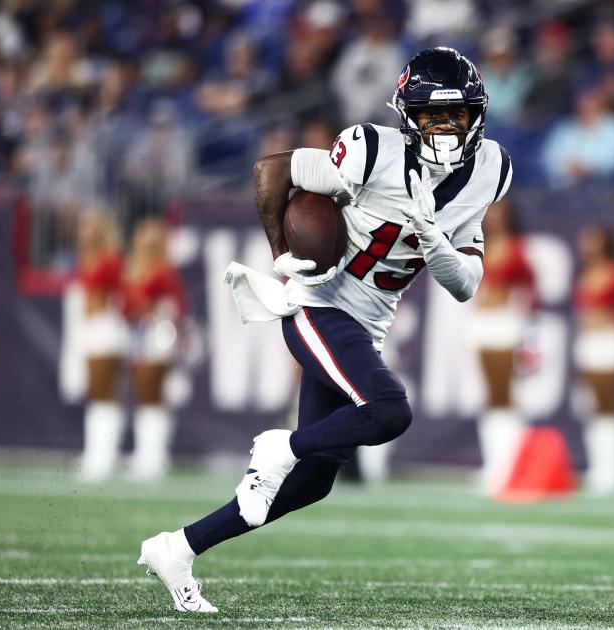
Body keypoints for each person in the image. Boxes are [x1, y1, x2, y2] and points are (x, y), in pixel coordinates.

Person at [137, 47, 512, 613]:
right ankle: (279, 443)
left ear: (475, 115)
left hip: (368, 325)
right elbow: (271, 171)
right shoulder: (370, 150)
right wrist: (282, 254)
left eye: (455, 114)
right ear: (406, 114)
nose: (444, 125)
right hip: (321, 306)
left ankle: (178, 548)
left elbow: (464, 285)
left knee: (313, 482)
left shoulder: (490, 169)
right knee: (390, 410)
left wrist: (438, 249)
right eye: (432, 114)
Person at [468, 198, 536, 494]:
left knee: (504, 394)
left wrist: (523, 321)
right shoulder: (479, 243)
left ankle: (508, 466)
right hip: (482, 323)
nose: (493, 217)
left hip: (506, 324)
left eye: (499, 212)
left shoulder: (517, 248)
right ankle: (495, 463)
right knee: (490, 396)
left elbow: (530, 286)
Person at [572, 225, 614, 495]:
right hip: (590, 343)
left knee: (611, 405)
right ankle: (598, 467)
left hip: (611, 343)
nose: (588, 247)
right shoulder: (586, 274)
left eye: (594, 241)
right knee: (593, 407)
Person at [122, 218, 186, 481]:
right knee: (144, 394)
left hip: (157, 335)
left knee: (153, 393)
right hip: (139, 335)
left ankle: (154, 455)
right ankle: (147, 453)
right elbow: (126, 307)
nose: (144, 246)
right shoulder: (134, 270)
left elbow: (177, 305)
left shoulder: (163, 271)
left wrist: (160, 320)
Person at [75, 211, 127, 481]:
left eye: (90, 227)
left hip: (106, 327)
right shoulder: (87, 258)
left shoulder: (109, 259)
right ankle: (96, 453)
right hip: (90, 329)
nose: (84, 233)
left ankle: (104, 456)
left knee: (104, 392)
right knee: (96, 393)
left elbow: (121, 293)